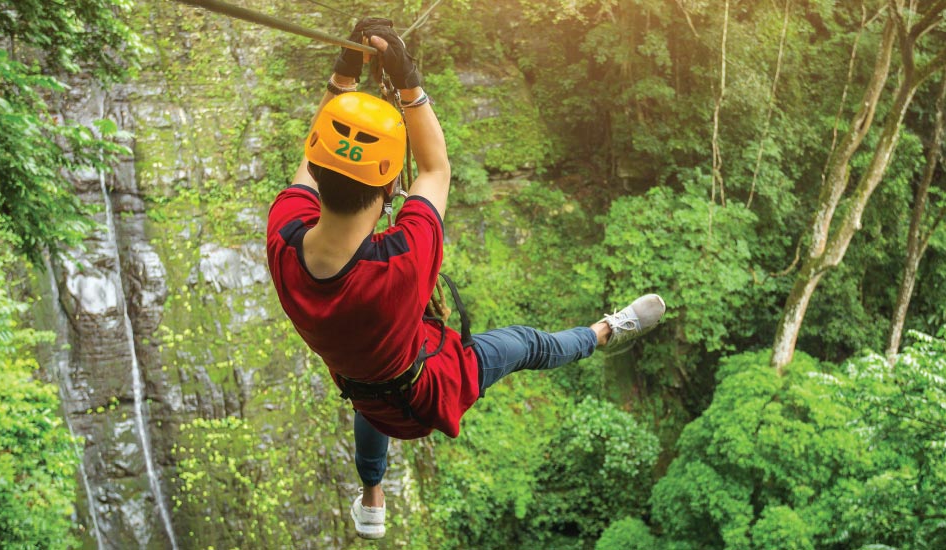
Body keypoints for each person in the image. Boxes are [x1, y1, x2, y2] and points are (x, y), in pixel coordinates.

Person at [264, 19, 665, 540]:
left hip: (362, 383)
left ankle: (372, 498)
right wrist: (403, 77)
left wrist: (346, 81)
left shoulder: (284, 238)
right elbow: (435, 169)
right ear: (390, 191)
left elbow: (326, 160)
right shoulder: (400, 263)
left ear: (317, 176)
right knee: (524, 344)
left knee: (371, 398)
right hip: (429, 389)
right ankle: (605, 333)